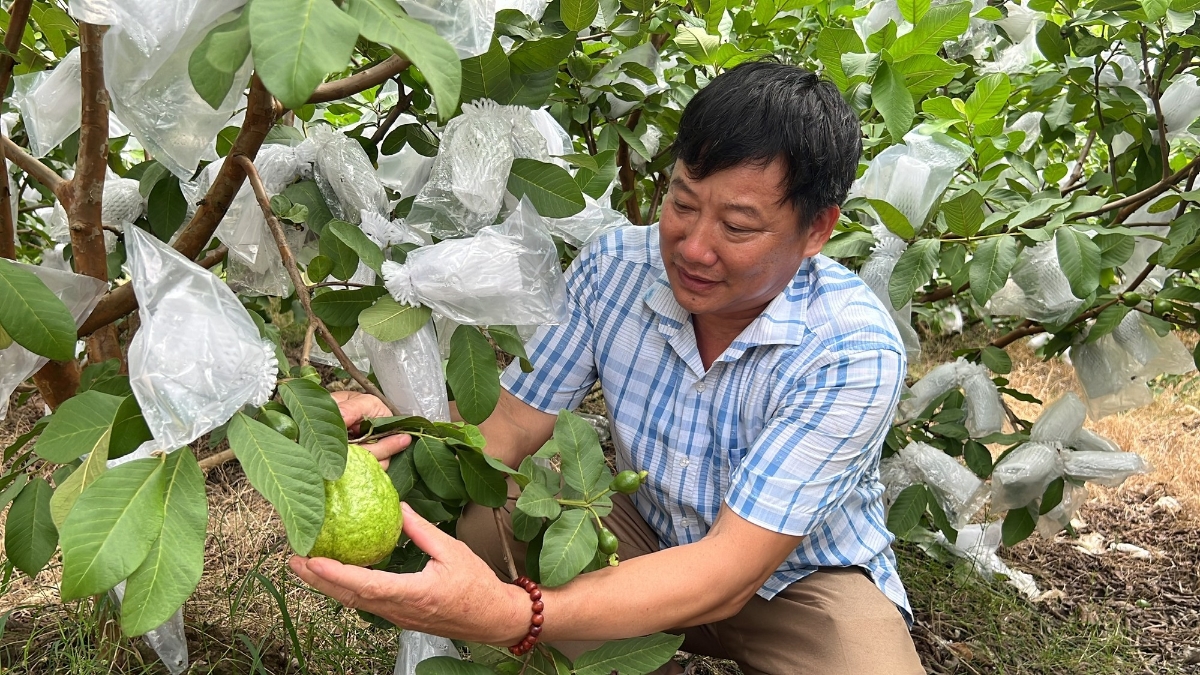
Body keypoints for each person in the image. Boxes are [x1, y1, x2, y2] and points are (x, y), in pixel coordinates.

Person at [290, 61, 925, 674]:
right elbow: (509, 422)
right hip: (636, 532)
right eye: (682, 202)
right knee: (488, 511)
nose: (693, 248)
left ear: (816, 230)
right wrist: (405, 426)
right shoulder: (617, 268)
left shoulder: (850, 349)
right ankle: (633, 659)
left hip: (794, 580)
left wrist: (515, 615)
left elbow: (731, 569)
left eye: (737, 226)